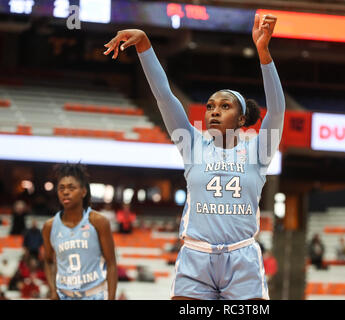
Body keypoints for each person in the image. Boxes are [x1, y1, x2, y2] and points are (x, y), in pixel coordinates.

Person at [104, 13, 284, 300]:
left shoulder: (258, 150)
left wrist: (264, 53)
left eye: (224, 106)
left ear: (240, 120)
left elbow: (276, 112)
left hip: (242, 258)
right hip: (195, 258)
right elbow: (164, 96)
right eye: (210, 105)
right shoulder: (191, 144)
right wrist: (145, 47)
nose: (214, 110)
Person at [42, 163, 118, 300]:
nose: (66, 192)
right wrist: (53, 291)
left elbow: (111, 263)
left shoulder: (98, 222)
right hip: (64, 294)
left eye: (71, 188)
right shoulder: (50, 226)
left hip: (94, 294)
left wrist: (111, 298)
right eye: (61, 188)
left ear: (83, 191)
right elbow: (48, 261)